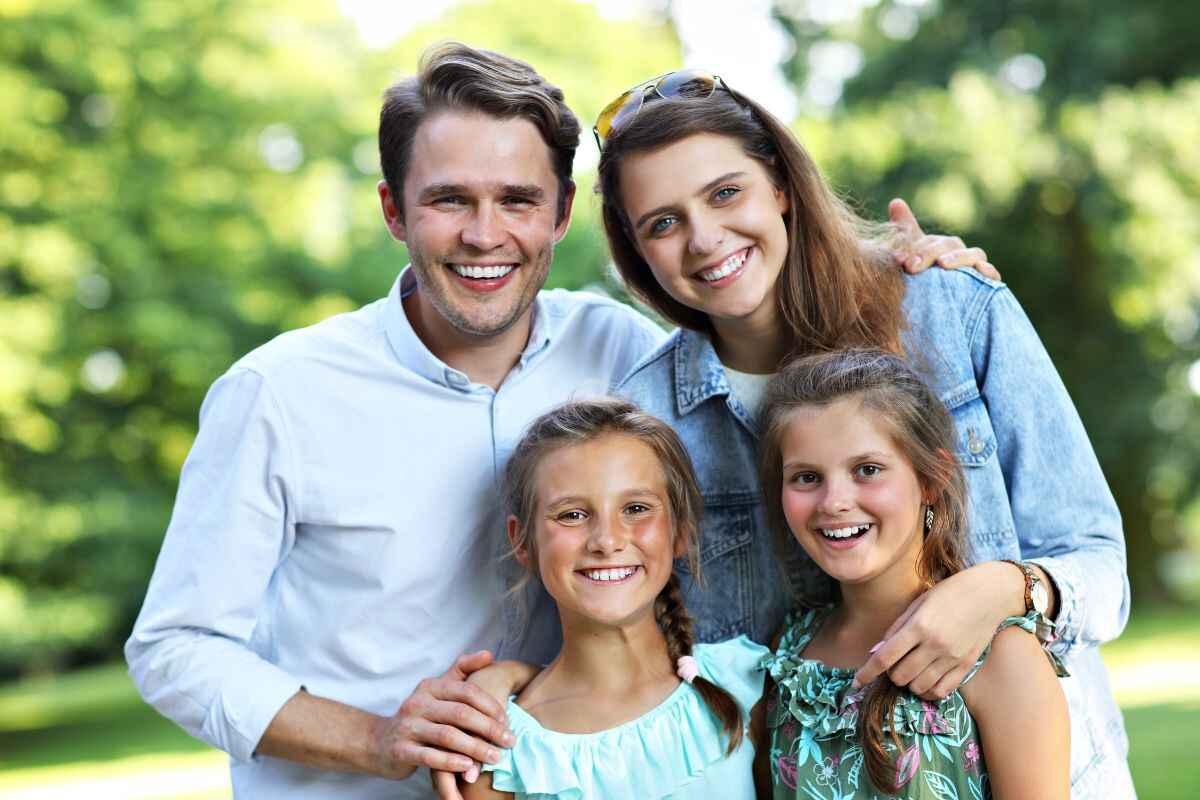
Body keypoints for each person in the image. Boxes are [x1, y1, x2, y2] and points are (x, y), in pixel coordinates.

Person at [124, 43, 990, 800]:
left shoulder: (622, 353)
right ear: (394, 211)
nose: (484, 234)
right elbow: (175, 648)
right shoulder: (280, 393)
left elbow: (774, 360)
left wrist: (896, 262)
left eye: (517, 200)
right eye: (448, 200)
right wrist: (382, 740)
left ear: (562, 214)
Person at [598, 70, 1134, 796]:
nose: (705, 239)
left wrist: (1004, 588)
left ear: (781, 186)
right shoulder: (649, 423)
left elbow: (1098, 564)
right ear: (637, 252)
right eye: (662, 223)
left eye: (726, 193)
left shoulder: (950, 309)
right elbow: (637, 649)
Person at [756, 349, 1069, 799]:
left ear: (931, 479)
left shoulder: (1002, 657)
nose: (833, 501)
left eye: (867, 470)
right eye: (806, 477)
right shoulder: (790, 651)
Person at [462, 398, 767, 799]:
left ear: (680, 530)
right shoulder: (498, 753)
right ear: (523, 541)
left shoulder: (747, 683)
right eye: (571, 514)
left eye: (636, 508)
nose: (606, 541)